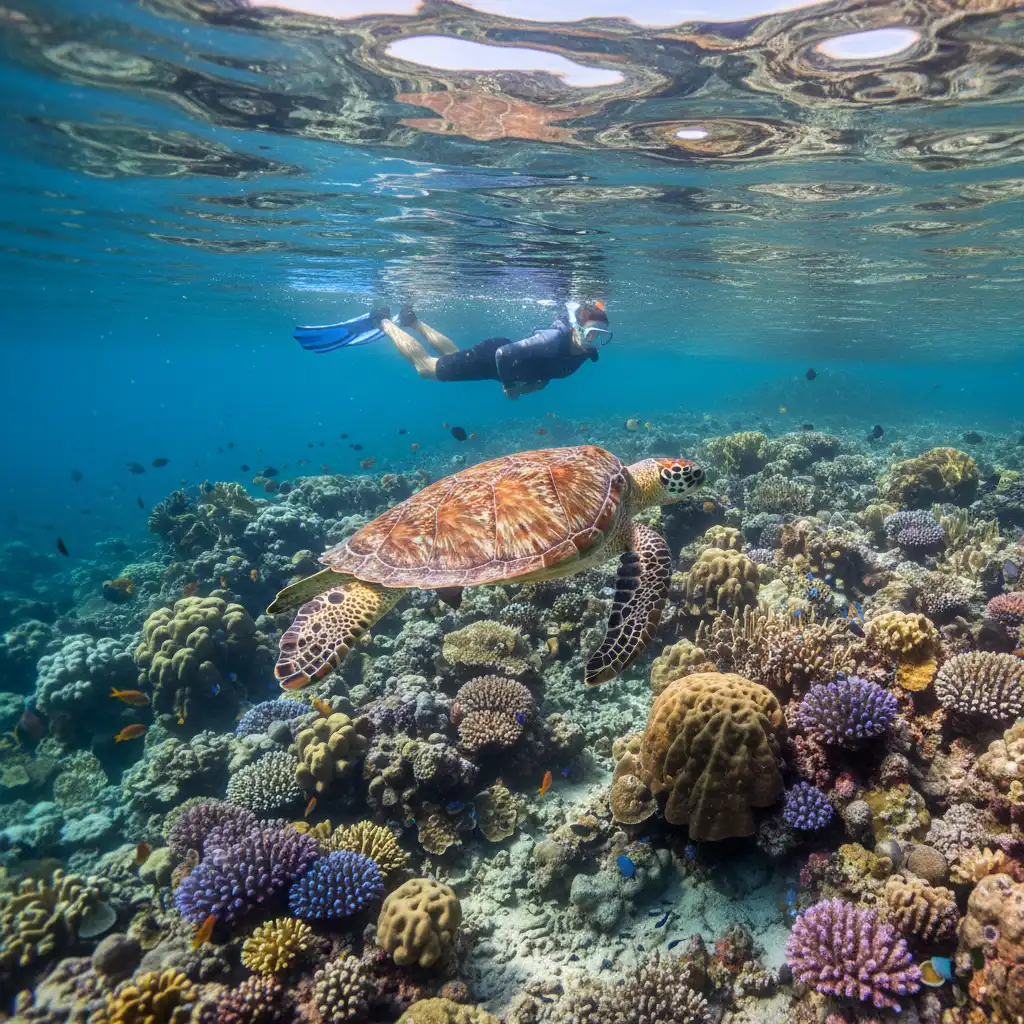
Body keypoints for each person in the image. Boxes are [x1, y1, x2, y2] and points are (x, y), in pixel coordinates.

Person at [294, 301, 612, 400]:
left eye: (602, 337)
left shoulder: (584, 353)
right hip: (495, 357)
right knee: (427, 369)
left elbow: (547, 371)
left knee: (452, 355)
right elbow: (505, 356)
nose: (595, 342)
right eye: (592, 334)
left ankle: (412, 321)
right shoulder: (553, 340)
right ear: (577, 329)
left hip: (492, 361)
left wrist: (535, 383)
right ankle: (384, 323)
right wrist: (513, 387)